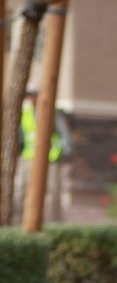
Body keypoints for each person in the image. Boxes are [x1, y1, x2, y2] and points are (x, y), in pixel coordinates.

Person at [14, 86, 69, 224]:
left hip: (51, 158)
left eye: (34, 95)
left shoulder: (52, 112)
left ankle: (56, 222)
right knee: (21, 189)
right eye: (30, 96)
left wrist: (63, 149)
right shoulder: (25, 114)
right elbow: (21, 137)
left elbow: (64, 134)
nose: (32, 98)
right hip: (29, 158)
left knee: (54, 191)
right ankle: (17, 220)